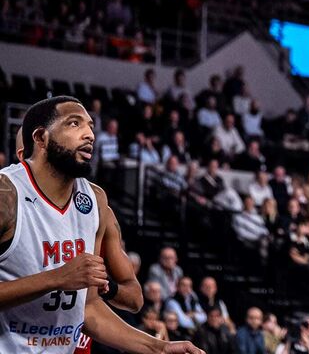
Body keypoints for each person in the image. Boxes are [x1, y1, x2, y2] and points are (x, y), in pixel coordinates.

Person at [0, 95, 204, 353]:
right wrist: (56, 278)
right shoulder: (6, 195)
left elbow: (88, 308)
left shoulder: (94, 200)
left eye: (90, 126)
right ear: (41, 138)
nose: (89, 135)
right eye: (74, 123)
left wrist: (159, 348)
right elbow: (63, 280)